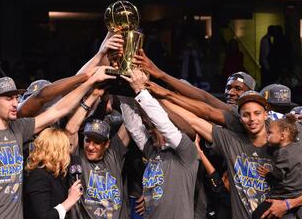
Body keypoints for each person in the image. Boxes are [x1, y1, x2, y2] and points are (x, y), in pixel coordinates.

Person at [0, 69, 114, 219]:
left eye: (16, 98)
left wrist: (90, 83)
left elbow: (58, 110)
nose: (15, 103)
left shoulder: (19, 128)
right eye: (8, 99)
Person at [158, 91, 274, 219]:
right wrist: (159, 99)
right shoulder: (231, 141)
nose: (252, 119)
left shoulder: (283, 146)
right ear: (240, 119)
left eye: (257, 113)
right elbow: (193, 121)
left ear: (266, 114)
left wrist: (287, 204)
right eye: (246, 115)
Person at [120, 69, 199, 219]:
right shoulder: (154, 152)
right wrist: (121, 88)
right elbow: (133, 127)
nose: (147, 130)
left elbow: (164, 125)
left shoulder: (186, 151)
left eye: (151, 127)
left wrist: (141, 90)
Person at [25, 128, 83, 219]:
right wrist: (70, 200)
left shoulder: (57, 173)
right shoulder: (38, 176)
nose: (69, 152)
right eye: (66, 148)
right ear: (58, 152)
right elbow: (44, 217)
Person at [253, 115, 302, 219]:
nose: (266, 135)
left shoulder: (283, 153)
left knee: (257, 215)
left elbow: (278, 176)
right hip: (298, 193)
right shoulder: (298, 147)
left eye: (270, 133)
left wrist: (268, 174)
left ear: (282, 136)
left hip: (284, 196)